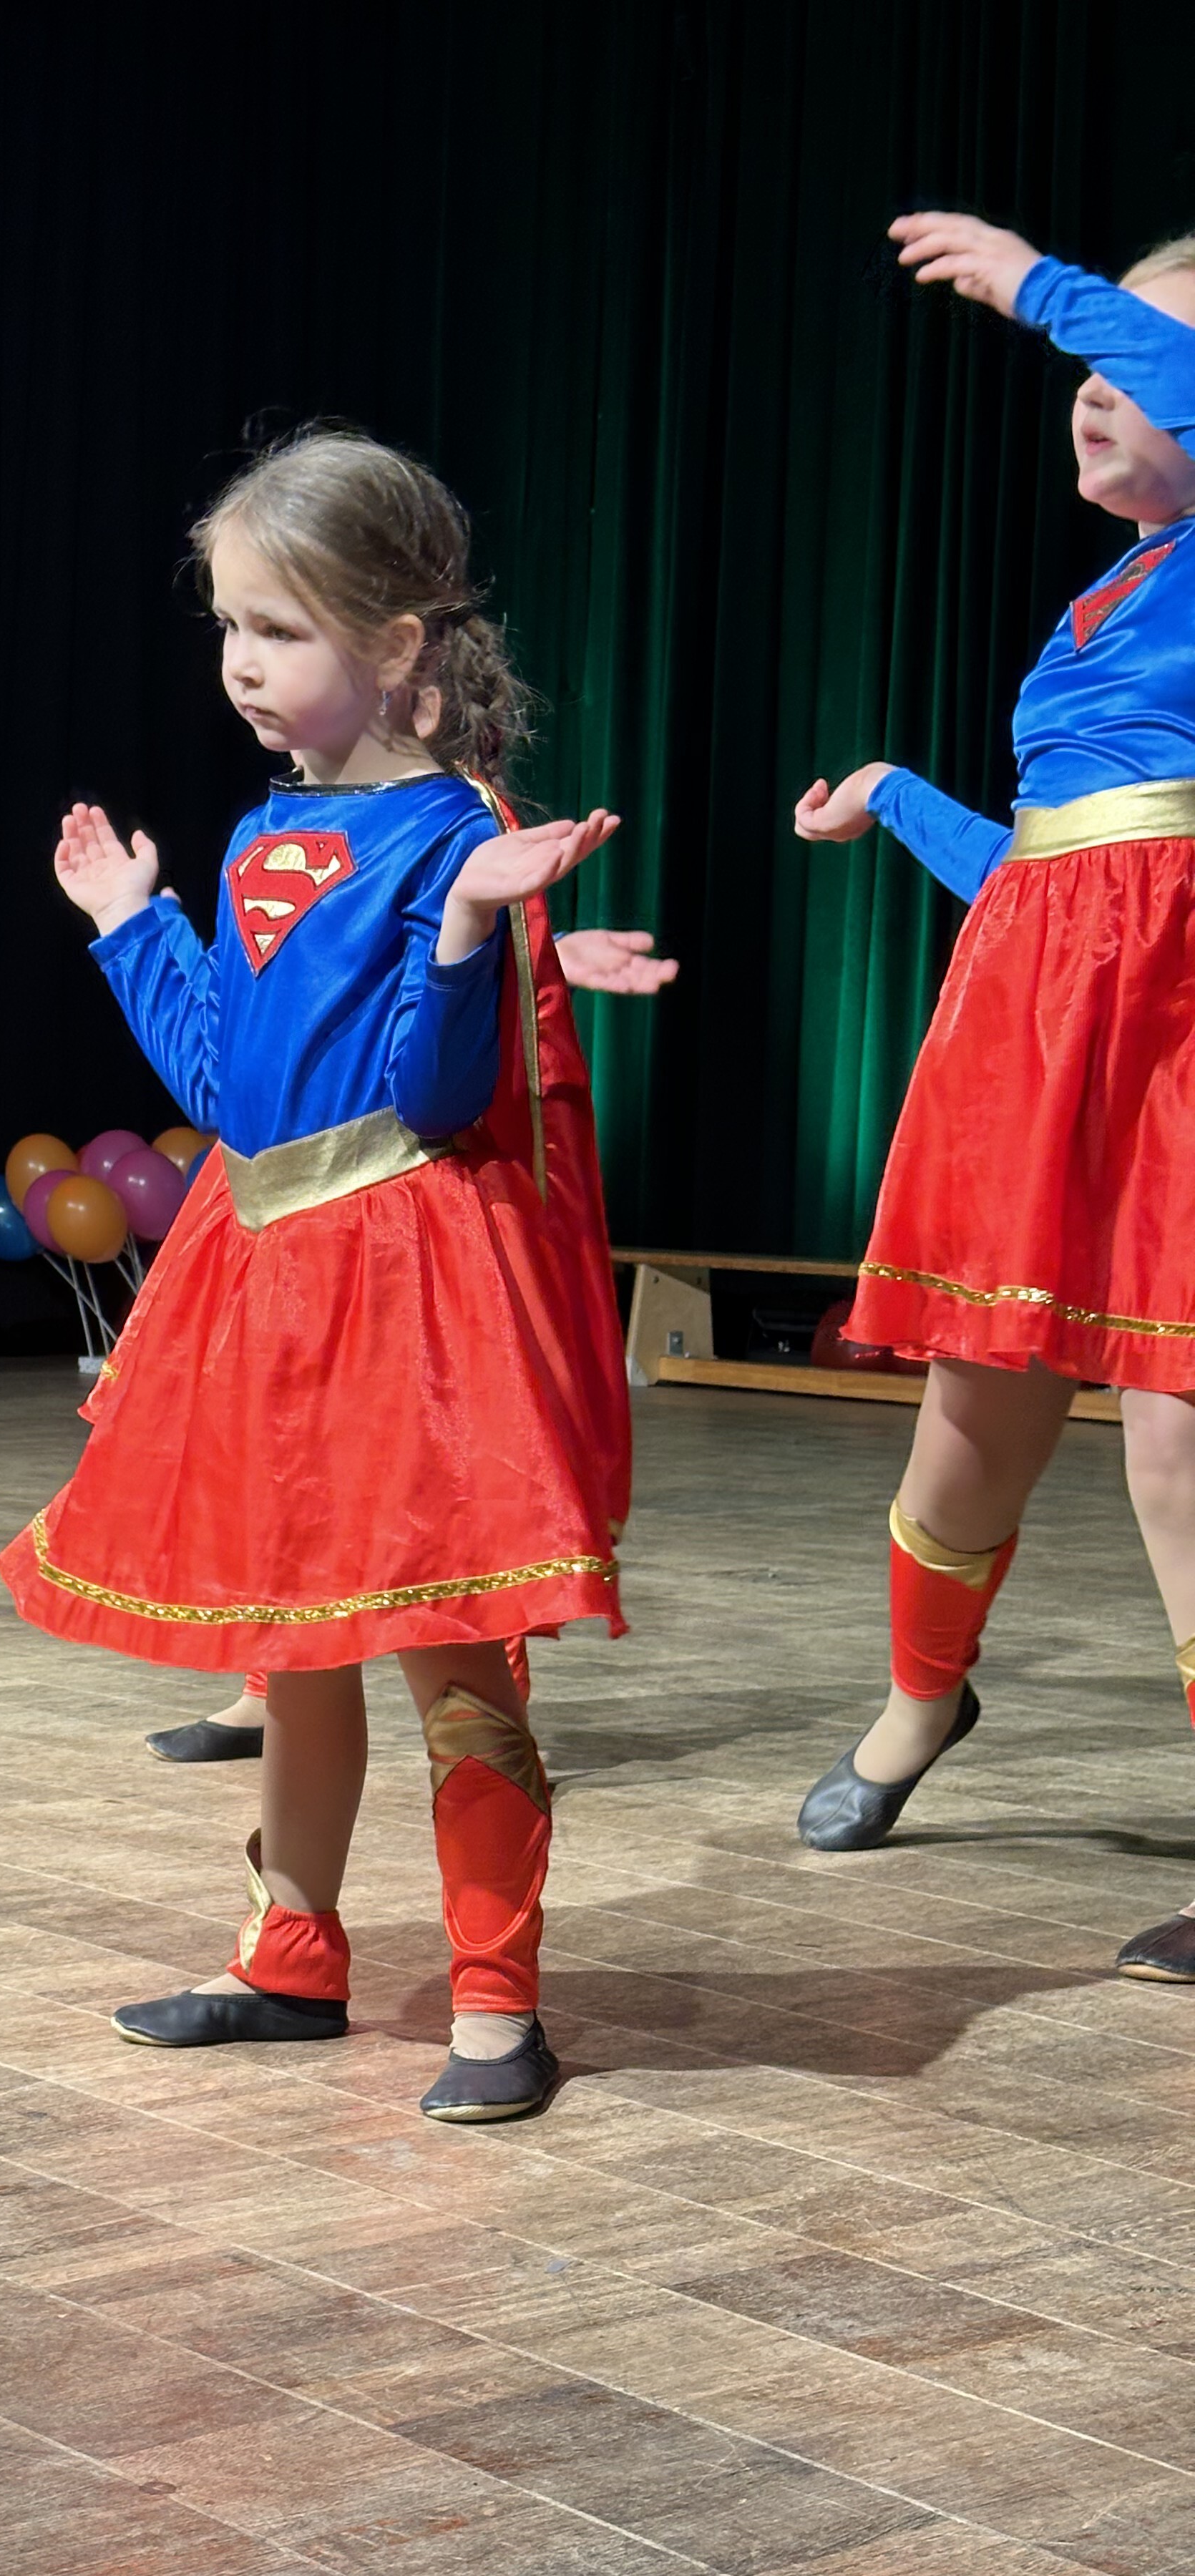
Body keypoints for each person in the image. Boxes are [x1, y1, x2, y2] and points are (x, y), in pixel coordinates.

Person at [0, 429, 632, 2122]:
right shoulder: (262, 832)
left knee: (452, 1652)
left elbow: (435, 1096)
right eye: (228, 626)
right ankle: (291, 1953)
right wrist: (136, 926)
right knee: (293, 1639)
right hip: (265, 1266)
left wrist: (467, 930)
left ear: (397, 643)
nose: (241, 663)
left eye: (276, 630)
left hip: (405, 1284)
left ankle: (496, 2001)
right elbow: (229, 1087)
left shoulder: (451, 833)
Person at [792, 213, 1195, 1985]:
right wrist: (896, 796)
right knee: (972, 1422)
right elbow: (1055, 879)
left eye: (1138, 358)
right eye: (1087, 360)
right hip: (1039, 1038)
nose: (1097, 383)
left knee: (1182, 1425)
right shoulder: (1110, 600)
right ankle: (921, 1701)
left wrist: (1044, 289)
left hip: (1178, 1036)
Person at [145, 926, 676, 1763]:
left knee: (453, 1448)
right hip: (296, 1152)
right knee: (290, 1438)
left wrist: (516, 969)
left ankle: (487, 1717)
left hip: (413, 1172)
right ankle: (271, 1682)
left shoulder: (461, 844)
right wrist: (141, 932)